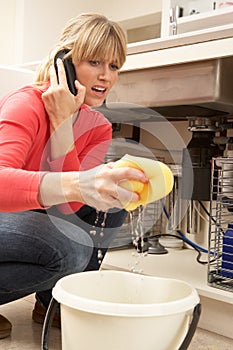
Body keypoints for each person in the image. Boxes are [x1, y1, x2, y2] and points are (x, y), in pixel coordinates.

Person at [0, 13, 148, 338]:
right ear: (64, 63)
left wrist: (63, 124)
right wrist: (79, 183)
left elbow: (69, 206)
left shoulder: (97, 127)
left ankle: (51, 300)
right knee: (69, 250)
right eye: (95, 61)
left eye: (114, 66)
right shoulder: (26, 104)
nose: (106, 76)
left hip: (31, 218)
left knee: (112, 199)